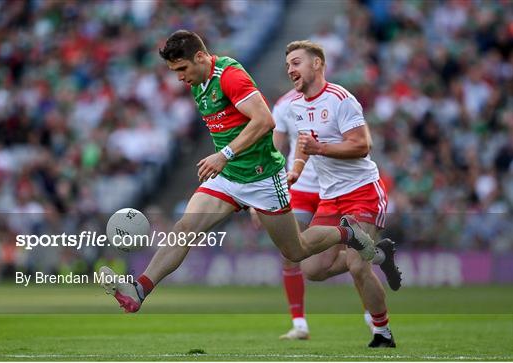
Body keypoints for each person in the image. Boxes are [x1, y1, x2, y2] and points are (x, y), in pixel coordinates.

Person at [99, 30, 380, 319]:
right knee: (185, 228)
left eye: (182, 69)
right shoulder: (198, 83)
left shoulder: (230, 76)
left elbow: (264, 120)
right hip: (229, 178)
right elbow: (229, 126)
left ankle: (349, 233)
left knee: (297, 251)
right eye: (174, 72)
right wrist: (226, 159)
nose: (180, 78)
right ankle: (140, 290)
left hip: (262, 179)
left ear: (200, 57)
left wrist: (224, 155)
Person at [282, 40, 400, 348]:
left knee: (358, 266)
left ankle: (382, 333)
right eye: (288, 65)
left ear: (317, 64)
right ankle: (365, 246)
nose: (290, 69)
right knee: (311, 268)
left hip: (363, 192)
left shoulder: (341, 99)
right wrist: (296, 168)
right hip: (331, 197)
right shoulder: (296, 105)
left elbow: (362, 145)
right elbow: (304, 144)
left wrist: (320, 148)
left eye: (296, 62)